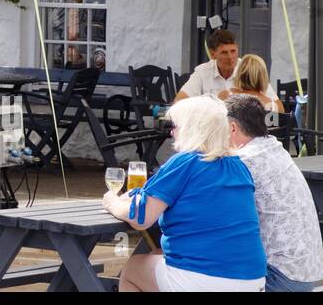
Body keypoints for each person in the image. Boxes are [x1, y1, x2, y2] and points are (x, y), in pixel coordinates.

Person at [104, 95, 265, 291]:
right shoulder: (239, 166)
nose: (172, 132)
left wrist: (112, 202)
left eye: (176, 126)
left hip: (205, 279)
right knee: (156, 255)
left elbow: (141, 217)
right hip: (253, 280)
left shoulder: (185, 162)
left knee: (132, 269)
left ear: (192, 129)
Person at [226, 95, 323, 291]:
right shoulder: (274, 148)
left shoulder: (244, 160)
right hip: (309, 272)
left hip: (279, 278)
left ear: (232, 128)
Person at [175, 29, 238, 100]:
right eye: (224, 53)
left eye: (233, 51)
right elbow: (179, 101)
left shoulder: (247, 69)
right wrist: (217, 101)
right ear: (212, 54)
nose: (230, 57)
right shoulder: (203, 71)